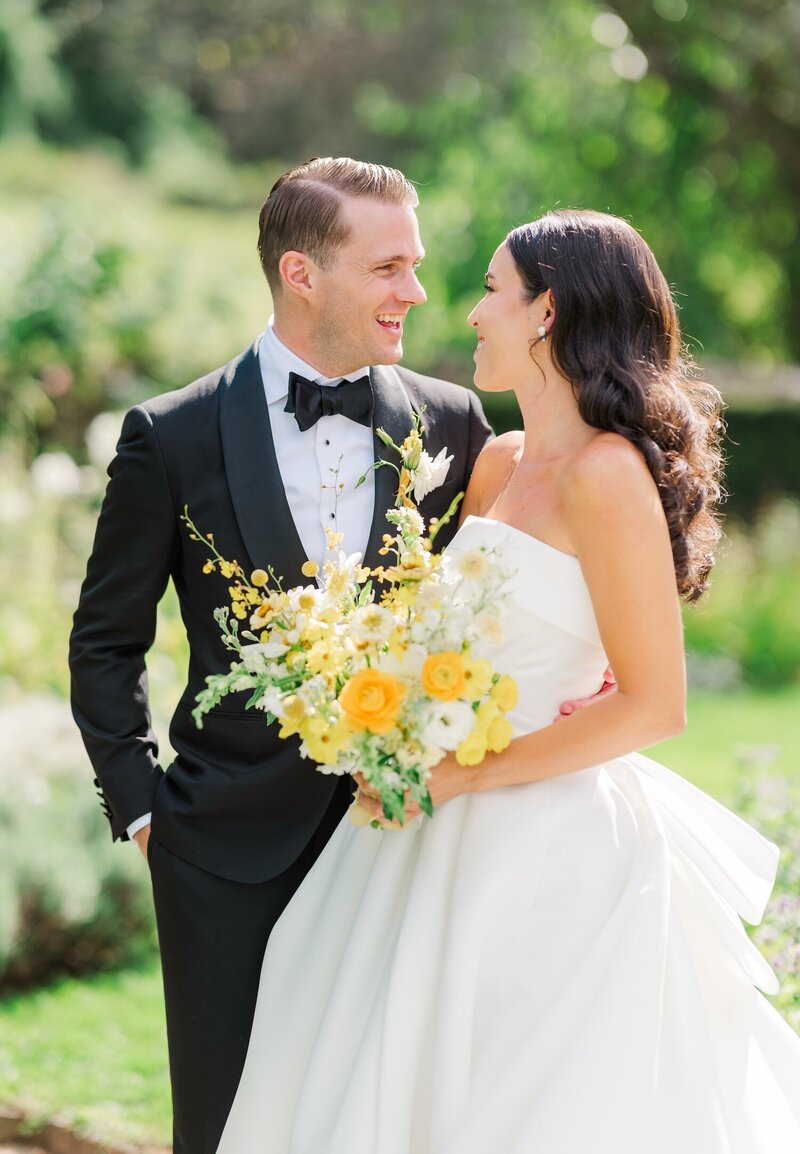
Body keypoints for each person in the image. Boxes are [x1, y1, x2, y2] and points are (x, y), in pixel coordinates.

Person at [215, 210, 800, 1153]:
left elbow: (655, 702)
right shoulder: (498, 464)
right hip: (416, 821)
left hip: (540, 845)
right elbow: (457, 635)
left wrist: (464, 776)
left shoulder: (607, 477)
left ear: (547, 313)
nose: (474, 311)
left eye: (493, 289)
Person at [68, 157, 496, 1154]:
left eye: (417, 264)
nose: (416, 291)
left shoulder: (453, 423)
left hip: (406, 843)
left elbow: (485, 616)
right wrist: (143, 809)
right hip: (222, 851)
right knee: (224, 1127)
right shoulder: (169, 436)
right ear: (302, 273)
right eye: (388, 266)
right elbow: (104, 638)